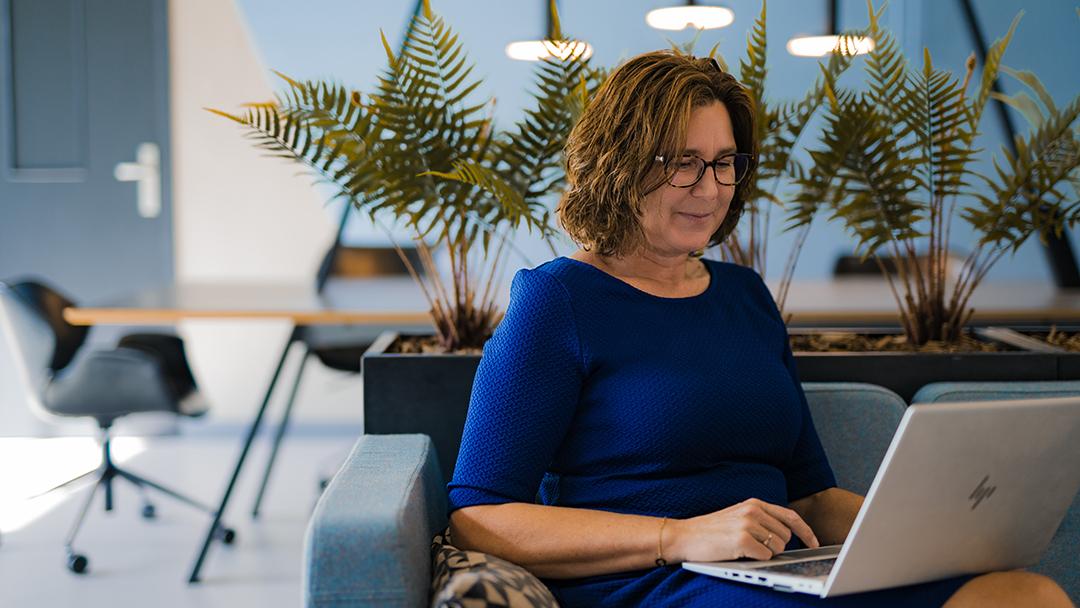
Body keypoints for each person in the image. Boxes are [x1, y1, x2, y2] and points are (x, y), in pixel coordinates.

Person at [446, 51, 1073, 608]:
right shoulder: (559, 300)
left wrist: (935, 534)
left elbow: (810, 497)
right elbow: (479, 516)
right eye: (684, 163)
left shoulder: (745, 296)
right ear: (621, 166)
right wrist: (679, 535)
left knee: (1025, 594)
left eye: (724, 163)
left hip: (779, 571)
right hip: (656, 578)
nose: (710, 188)